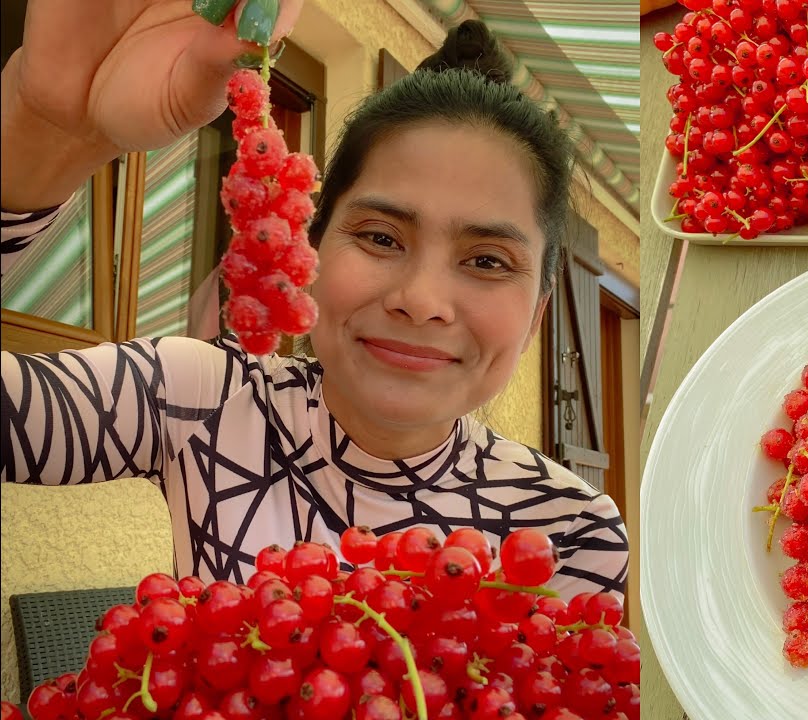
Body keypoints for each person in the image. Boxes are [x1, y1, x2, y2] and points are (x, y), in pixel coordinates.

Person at [0, 0, 628, 602]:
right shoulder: (199, 400)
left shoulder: (570, 534)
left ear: (537, 317)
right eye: (381, 237)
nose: (421, 300)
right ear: (314, 251)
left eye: (487, 261)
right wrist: (39, 127)